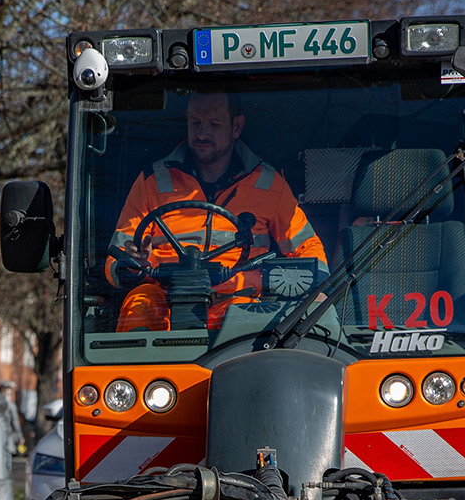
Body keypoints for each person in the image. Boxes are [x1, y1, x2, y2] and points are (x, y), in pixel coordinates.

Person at [106, 90, 327, 332]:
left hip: (237, 300)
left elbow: (308, 250)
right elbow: (116, 258)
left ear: (236, 127)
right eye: (195, 123)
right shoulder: (152, 181)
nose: (202, 133)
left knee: (250, 320)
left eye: (214, 124)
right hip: (165, 297)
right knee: (139, 305)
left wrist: (313, 284)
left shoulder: (269, 183)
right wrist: (132, 262)